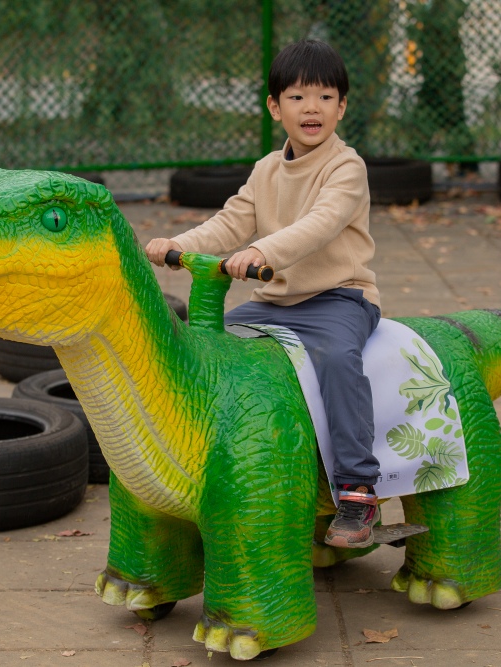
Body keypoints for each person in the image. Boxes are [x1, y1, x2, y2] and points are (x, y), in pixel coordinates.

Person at [145, 39, 383, 549]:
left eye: (324, 97)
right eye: (298, 97)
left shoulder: (346, 168)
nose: (311, 108)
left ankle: (358, 490)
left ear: (342, 105)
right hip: (275, 302)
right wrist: (178, 244)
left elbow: (320, 225)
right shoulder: (266, 170)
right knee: (209, 353)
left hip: (337, 298)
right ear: (275, 107)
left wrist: (261, 252)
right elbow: (231, 220)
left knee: (339, 360)